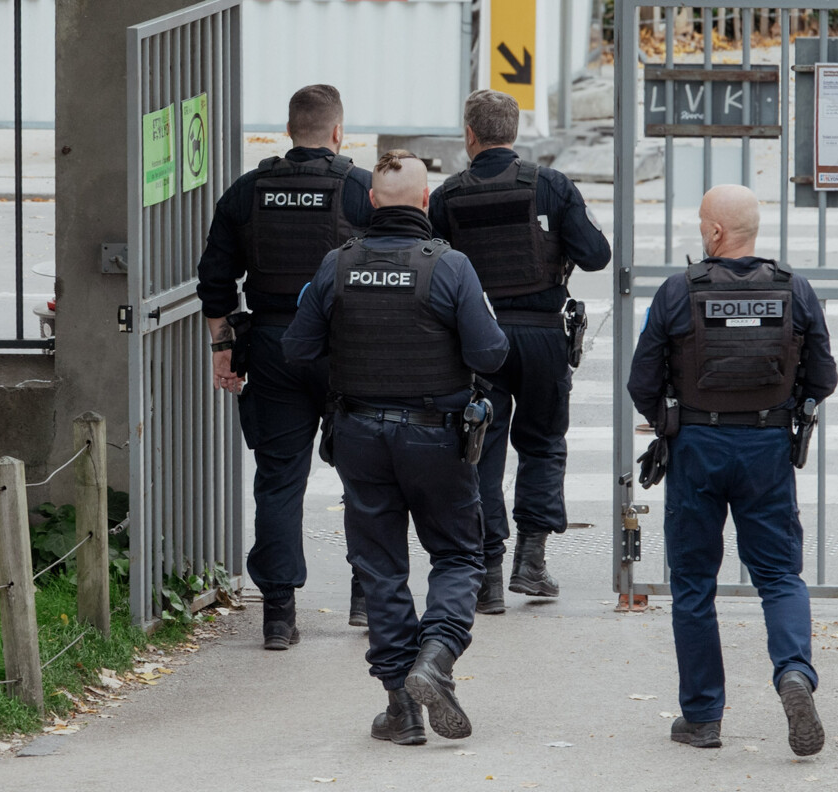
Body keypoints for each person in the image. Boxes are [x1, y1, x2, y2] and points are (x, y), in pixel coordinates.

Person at [283, 150, 509, 744]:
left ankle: (400, 708)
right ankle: (434, 659)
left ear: (372, 203)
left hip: (359, 434)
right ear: (427, 201)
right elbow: (490, 355)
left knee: (379, 567)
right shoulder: (451, 266)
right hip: (437, 434)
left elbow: (297, 349)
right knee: (459, 555)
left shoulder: (337, 264)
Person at [627, 185, 838, 756]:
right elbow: (823, 379)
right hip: (767, 447)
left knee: (694, 584)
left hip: (696, 445)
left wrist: (673, 422)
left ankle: (702, 718)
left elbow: (641, 382)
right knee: (779, 576)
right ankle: (794, 673)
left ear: (715, 233)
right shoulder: (794, 290)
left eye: (702, 223)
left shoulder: (678, 292)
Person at [196, 84, 374, 650]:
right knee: (366, 478)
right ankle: (367, 597)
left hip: (273, 345)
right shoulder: (360, 190)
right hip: (348, 348)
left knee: (278, 480)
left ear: (288, 130)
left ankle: (278, 614)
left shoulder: (248, 191)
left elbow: (215, 284)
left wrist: (223, 349)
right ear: (338, 132)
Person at [428, 89, 611, 614]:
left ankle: (486, 576)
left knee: (479, 449)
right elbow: (596, 257)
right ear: (514, 132)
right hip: (542, 338)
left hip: (479, 342)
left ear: (469, 135)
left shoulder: (447, 196)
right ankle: (531, 562)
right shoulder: (550, 185)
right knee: (544, 445)